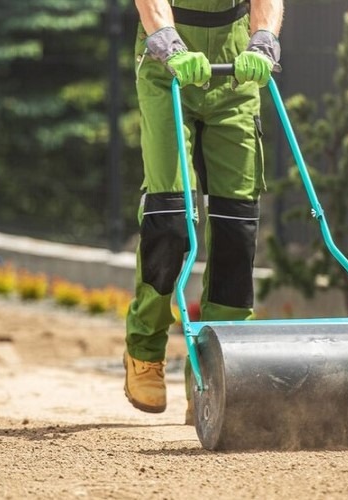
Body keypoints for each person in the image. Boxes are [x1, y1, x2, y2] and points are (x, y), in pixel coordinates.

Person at [123, 0, 284, 423]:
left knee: (236, 225)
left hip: (235, 68)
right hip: (166, 67)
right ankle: (144, 350)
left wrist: (263, 40)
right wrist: (169, 44)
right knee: (171, 218)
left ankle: (216, 370)